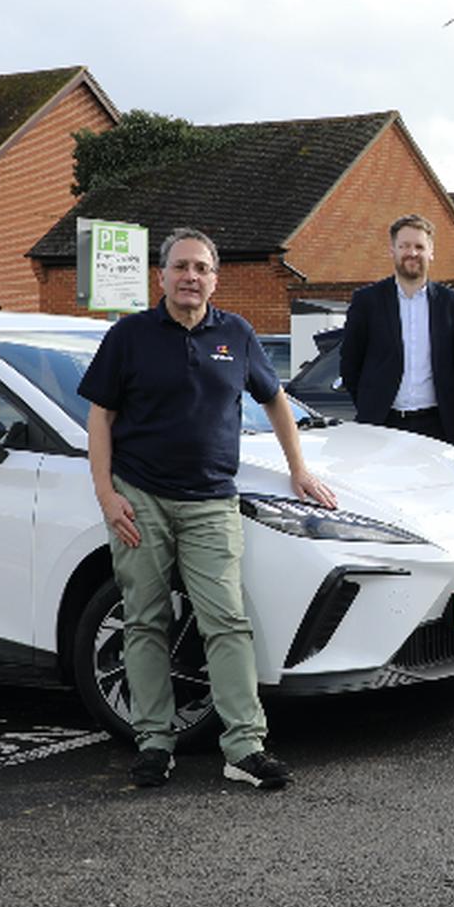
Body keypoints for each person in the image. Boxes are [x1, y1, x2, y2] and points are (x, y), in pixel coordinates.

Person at [78, 229, 336, 791]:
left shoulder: (237, 334)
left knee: (227, 622)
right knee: (145, 618)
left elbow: (276, 401)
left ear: (214, 278)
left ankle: (243, 747)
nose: (190, 277)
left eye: (201, 268)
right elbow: (101, 418)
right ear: (161, 276)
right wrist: (106, 492)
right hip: (139, 497)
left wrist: (299, 470)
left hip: (212, 501)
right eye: (180, 267)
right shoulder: (130, 336)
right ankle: (153, 742)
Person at [338, 213, 454, 443]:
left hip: (437, 425)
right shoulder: (367, 301)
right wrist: (370, 403)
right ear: (393, 250)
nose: (412, 253)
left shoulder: (453, 304)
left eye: (420, 247)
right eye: (405, 246)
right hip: (382, 424)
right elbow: (350, 362)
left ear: (431, 252)